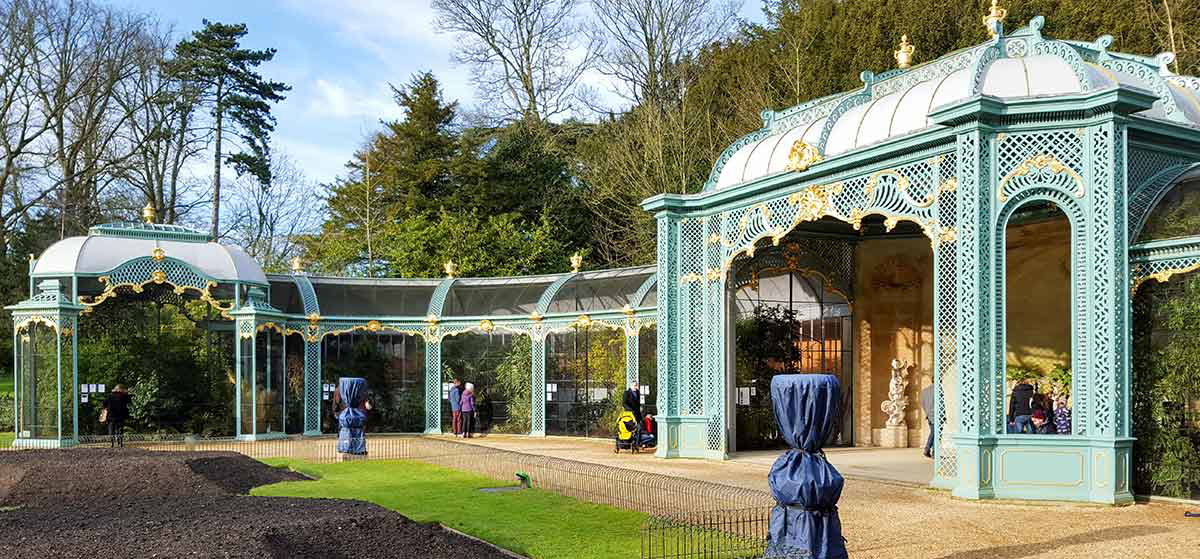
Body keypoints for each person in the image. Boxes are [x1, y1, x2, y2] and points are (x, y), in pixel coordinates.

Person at [335, 377, 371, 455]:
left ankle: (345, 447)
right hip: (355, 415)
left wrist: (337, 413)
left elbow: (335, 405)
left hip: (344, 415)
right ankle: (357, 448)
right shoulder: (360, 392)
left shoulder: (338, 390)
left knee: (345, 431)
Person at [919, 383, 934, 459]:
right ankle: (927, 449)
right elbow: (941, 403)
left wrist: (927, 412)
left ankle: (933, 452)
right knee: (935, 433)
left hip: (929, 415)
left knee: (933, 432)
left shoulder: (925, 391)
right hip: (936, 415)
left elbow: (922, 403)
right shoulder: (938, 390)